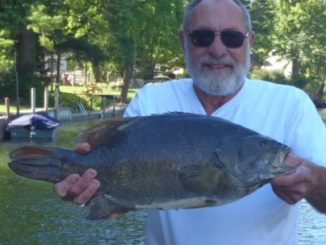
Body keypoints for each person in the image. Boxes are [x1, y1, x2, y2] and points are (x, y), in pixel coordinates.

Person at [55, 0, 326, 244]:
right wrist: (82, 187)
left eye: (232, 38)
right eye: (202, 37)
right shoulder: (152, 98)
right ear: (183, 40)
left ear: (250, 42)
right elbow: (121, 184)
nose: (218, 49)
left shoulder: (291, 103)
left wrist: (313, 181)